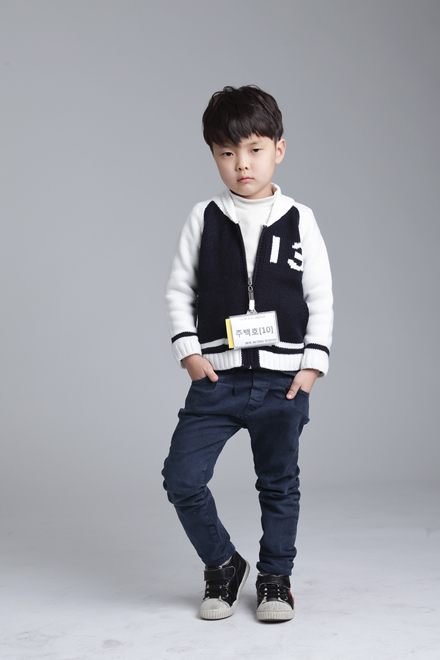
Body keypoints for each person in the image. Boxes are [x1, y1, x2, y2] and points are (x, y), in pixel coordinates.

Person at [162, 85, 333, 622]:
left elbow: (320, 296)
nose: (242, 164)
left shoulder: (300, 217)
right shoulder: (204, 216)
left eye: (254, 149)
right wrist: (190, 353)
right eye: (227, 152)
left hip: (283, 381)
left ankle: (275, 580)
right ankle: (223, 564)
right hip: (218, 380)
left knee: (279, 485)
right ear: (213, 154)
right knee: (182, 478)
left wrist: (311, 366)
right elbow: (179, 289)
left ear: (278, 149)